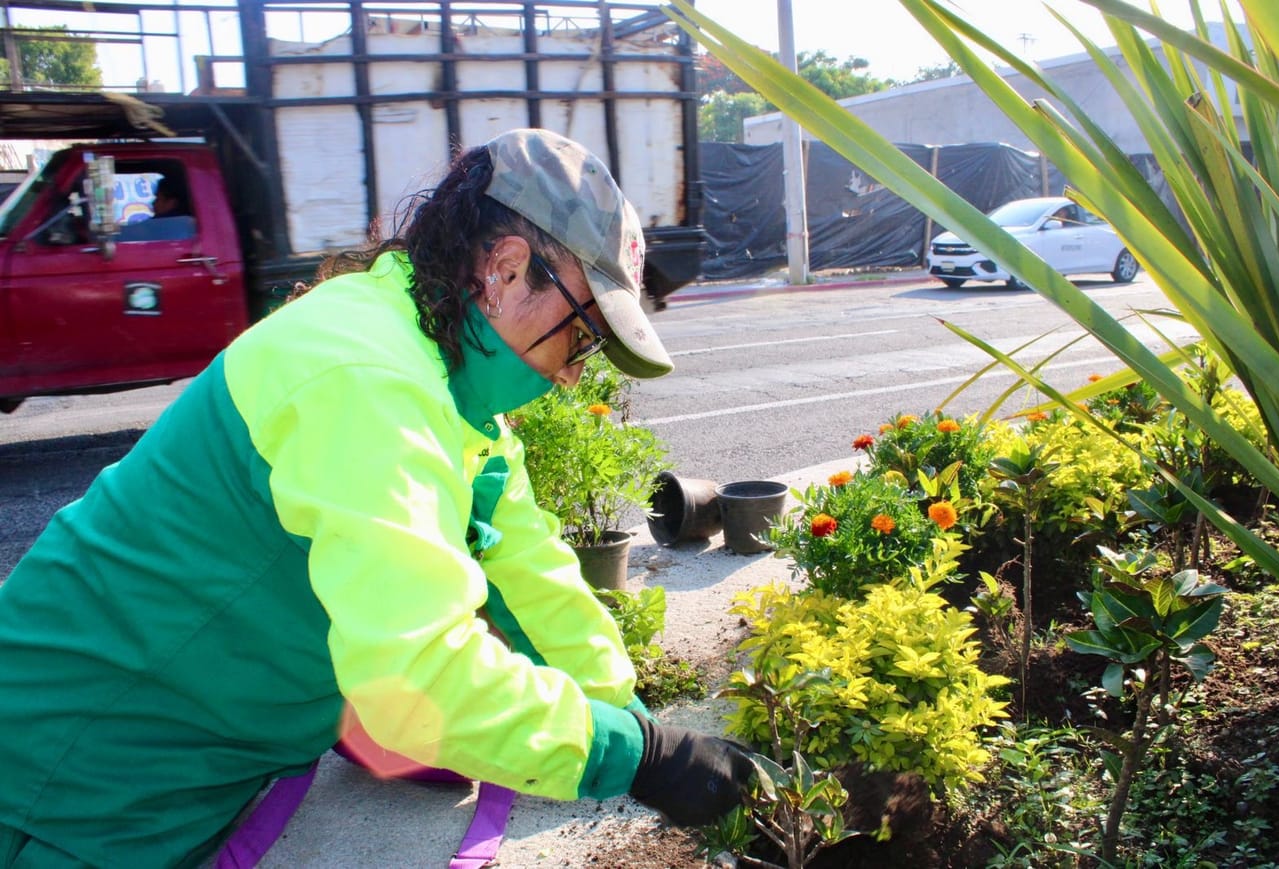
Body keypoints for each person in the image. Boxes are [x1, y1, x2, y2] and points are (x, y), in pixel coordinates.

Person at [0, 128, 753, 866]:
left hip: (185, 752)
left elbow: (529, 566)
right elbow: (415, 679)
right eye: (582, 337)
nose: (572, 376)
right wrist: (638, 758)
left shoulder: (440, 374)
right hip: (74, 766)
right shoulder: (367, 379)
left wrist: (627, 714)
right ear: (505, 267)